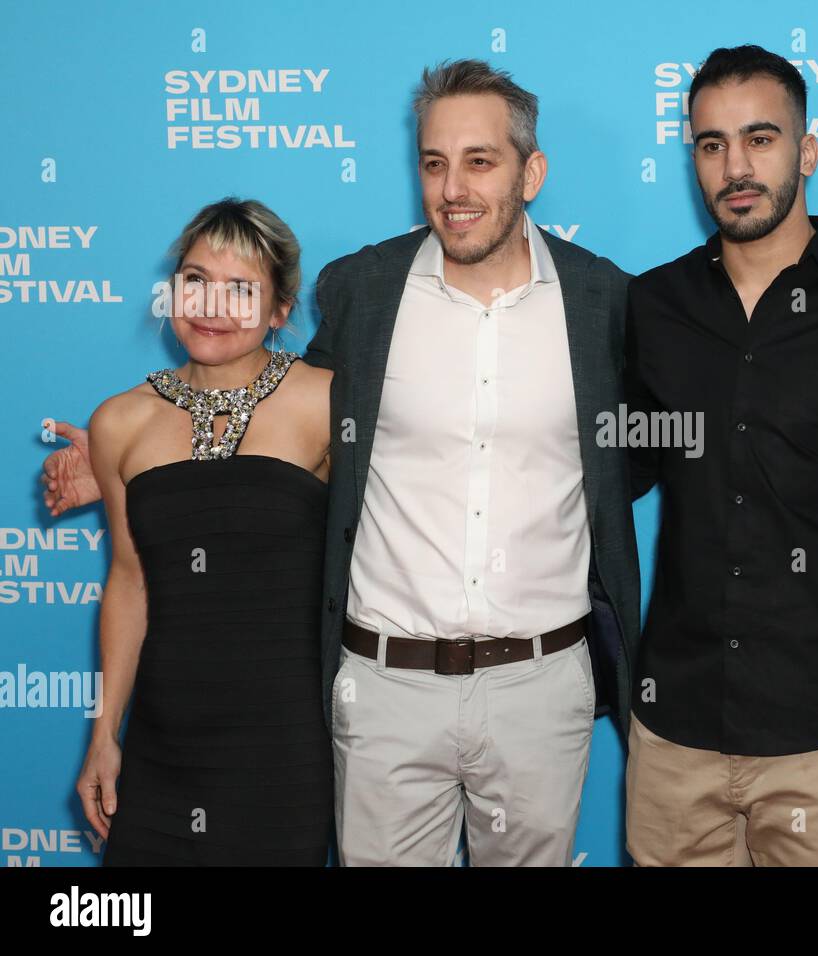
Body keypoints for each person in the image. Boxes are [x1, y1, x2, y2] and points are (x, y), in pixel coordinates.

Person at [46, 60, 640, 868]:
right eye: (434, 163)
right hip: (385, 686)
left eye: (480, 160)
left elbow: (639, 454)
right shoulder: (364, 290)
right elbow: (268, 416)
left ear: (531, 172)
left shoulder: (604, 300)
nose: (453, 188)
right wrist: (139, 454)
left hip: (540, 684)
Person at [622, 45, 818, 866]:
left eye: (761, 138)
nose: (736, 166)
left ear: (808, 150)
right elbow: (612, 468)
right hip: (674, 732)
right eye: (712, 144)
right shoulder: (652, 306)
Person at [71, 197, 334, 865]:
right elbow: (129, 583)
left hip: (287, 745)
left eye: (241, 288)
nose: (211, 306)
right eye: (195, 280)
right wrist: (105, 734)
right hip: (164, 742)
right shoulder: (119, 423)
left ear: (280, 308)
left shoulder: (329, 403)